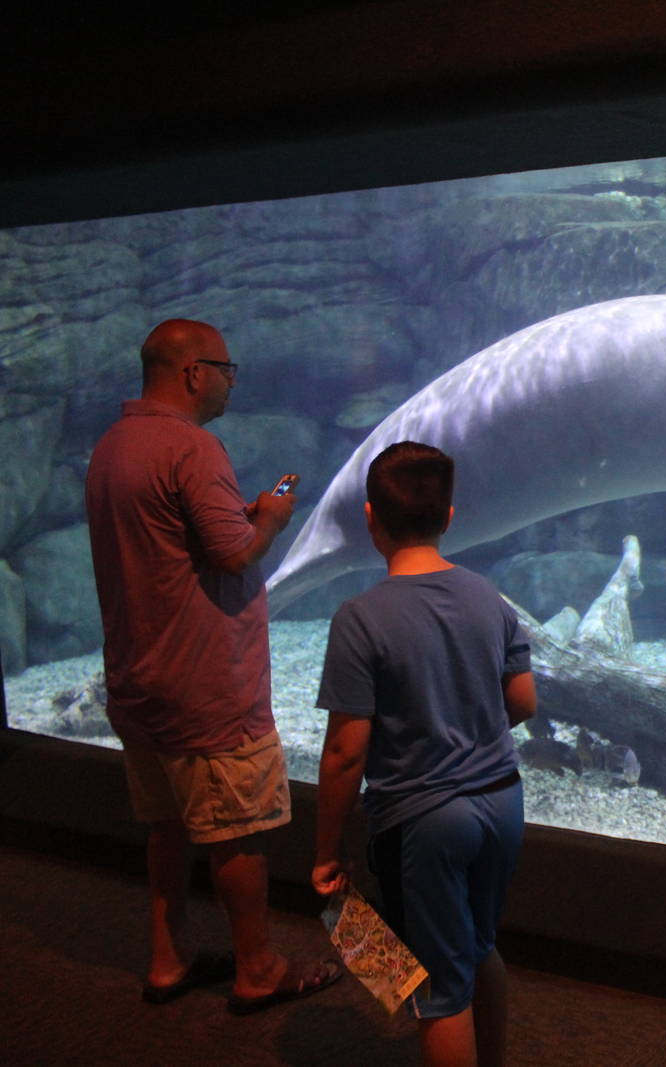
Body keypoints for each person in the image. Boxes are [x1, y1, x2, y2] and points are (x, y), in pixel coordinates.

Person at [84, 318, 342, 1012]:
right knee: (236, 831)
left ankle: (168, 959)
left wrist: (240, 518)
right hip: (204, 687)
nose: (232, 381)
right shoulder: (191, 448)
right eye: (228, 368)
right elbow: (232, 551)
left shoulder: (112, 446)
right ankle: (258, 968)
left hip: (139, 682)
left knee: (167, 827)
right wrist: (274, 515)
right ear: (194, 372)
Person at [312, 441, 537, 1067]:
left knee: (437, 990)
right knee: (477, 946)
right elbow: (523, 701)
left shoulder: (360, 618)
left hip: (424, 821)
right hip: (501, 804)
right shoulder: (489, 597)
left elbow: (344, 754)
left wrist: (327, 850)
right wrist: (467, 727)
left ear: (369, 518)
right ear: (450, 515)